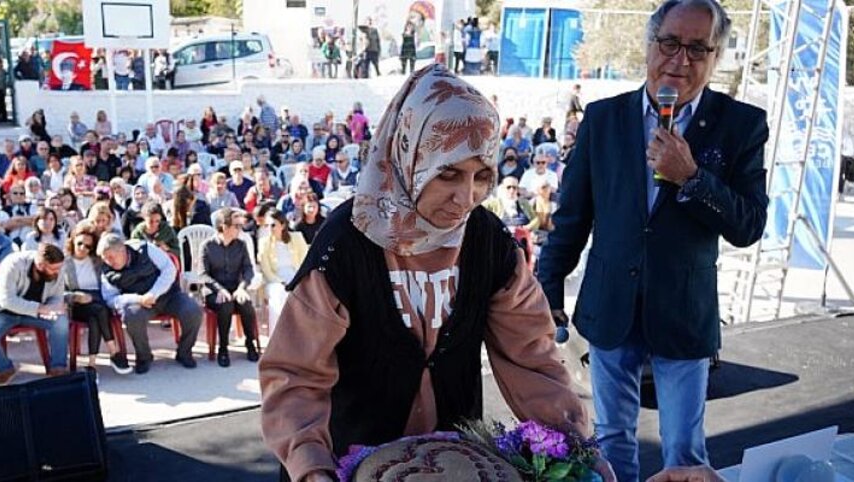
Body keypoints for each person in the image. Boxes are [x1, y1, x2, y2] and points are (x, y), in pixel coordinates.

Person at [259, 64, 606, 482]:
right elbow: (295, 373)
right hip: (343, 464)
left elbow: (532, 356)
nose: (466, 197)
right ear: (410, 157)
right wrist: (310, 464)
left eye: (481, 176)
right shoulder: (345, 243)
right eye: (448, 173)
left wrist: (576, 446)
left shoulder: (488, 242)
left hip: (454, 465)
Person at [536, 1, 769, 480]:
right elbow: (572, 216)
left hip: (684, 313)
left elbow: (748, 227)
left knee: (685, 452)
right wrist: (548, 290)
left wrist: (692, 178)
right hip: (609, 306)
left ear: (715, 56)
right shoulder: (603, 119)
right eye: (670, 44)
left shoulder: (742, 124)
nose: (681, 61)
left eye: (698, 49)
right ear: (649, 44)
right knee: (611, 441)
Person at [98, 233, 204, 372]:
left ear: (122, 249)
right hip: (140, 303)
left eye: (111, 257)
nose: (109, 262)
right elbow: (110, 299)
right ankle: (144, 357)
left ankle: (184, 352)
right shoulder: (107, 272)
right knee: (131, 316)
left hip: (168, 295)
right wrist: (138, 299)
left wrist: (154, 293)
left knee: (193, 310)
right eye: (105, 259)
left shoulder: (146, 249)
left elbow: (169, 269)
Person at [0, 243, 70, 384]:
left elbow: (56, 295)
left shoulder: (58, 268)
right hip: (0, 311)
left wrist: (55, 307)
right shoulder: (13, 263)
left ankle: (58, 367)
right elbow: (5, 300)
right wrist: (40, 308)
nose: (58, 272)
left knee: (61, 322)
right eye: (53, 269)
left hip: (36, 312)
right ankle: (4, 368)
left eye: (59, 268)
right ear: (41, 266)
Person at [63, 224, 130, 373]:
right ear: (73, 241)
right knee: (100, 310)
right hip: (78, 303)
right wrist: (75, 296)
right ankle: (113, 351)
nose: (83, 248)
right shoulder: (64, 263)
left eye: (88, 246)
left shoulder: (97, 261)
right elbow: (57, 293)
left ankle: (91, 364)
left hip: (98, 300)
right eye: (79, 243)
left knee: (95, 317)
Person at [200, 208, 258, 367]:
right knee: (226, 305)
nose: (240, 229)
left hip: (235, 287)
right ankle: (223, 348)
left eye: (241, 226)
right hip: (214, 290)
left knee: (245, 304)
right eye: (236, 226)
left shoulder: (241, 244)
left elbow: (248, 269)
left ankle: (250, 343)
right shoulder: (207, 245)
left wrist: (242, 287)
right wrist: (219, 289)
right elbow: (203, 274)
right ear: (224, 226)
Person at [257, 210, 307, 334]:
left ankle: (300, 336)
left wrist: (295, 281)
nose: (269, 228)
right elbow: (266, 269)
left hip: (296, 277)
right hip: (275, 280)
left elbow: (305, 263)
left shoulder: (297, 237)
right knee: (278, 294)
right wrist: (281, 282)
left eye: (273, 225)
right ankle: (277, 337)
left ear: (283, 225)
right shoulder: (264, 243)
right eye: (266, 225)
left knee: (300, 293)